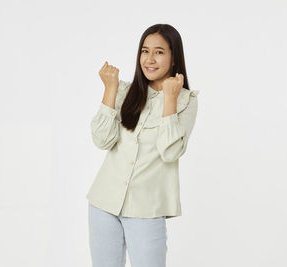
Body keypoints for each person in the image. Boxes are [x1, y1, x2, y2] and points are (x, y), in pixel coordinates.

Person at [86, 23, 199, 267]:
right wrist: (110, 89)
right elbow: (102, 139)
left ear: (174, 58)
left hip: (146, 209)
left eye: (159, 52)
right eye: (144, 51)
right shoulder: (124, 91)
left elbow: (170, 152)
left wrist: (169, 98)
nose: (149, 59)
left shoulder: (187, 101)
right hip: (103, 204)